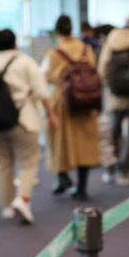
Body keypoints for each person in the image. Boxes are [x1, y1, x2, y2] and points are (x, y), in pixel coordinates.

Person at [0, 30, 56, 225]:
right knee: (28, 161)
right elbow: (41, 91)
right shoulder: (25, 62)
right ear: (15, 42)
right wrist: (51, 114)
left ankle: (6, 207)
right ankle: (22, 199)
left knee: (2, 165)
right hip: (23, 120)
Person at [46, 15, 101, 201]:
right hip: (87, 101)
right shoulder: (86, 48)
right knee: (85, 142)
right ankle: (82, 187)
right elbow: (94, 68)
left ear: (57, 31)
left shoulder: (55, 52)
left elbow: (48, 76)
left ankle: (63, 179)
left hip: (64, 101)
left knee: (61, 141)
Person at [97, 14, 129, 185]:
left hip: (114, 95)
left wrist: (110, 84)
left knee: (113, 132)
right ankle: (124, 170)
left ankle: (110, 168)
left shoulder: (112, 37)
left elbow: (102, 66)